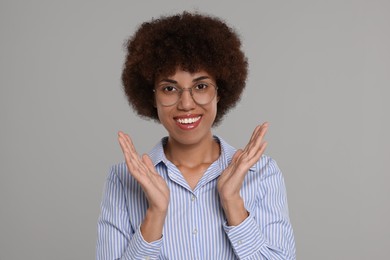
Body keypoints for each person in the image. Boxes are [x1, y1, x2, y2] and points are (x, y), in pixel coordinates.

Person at [96, 11, 295, 260]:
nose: (186, 104)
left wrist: (233, 203)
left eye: (201, 86)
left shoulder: (262, 174)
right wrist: (155, 215)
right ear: (153, 97)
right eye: (170, 88)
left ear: (220, 92)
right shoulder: (123, 180)